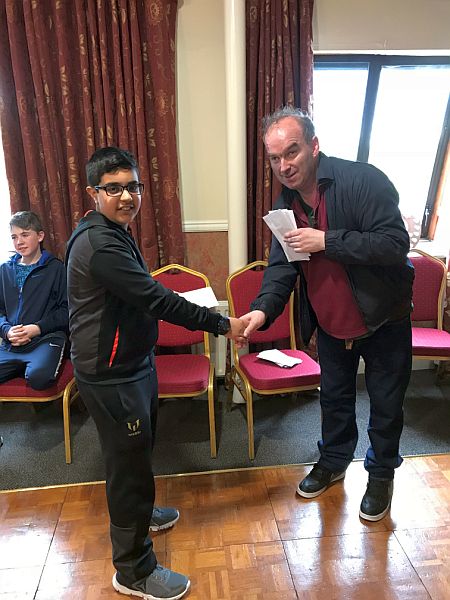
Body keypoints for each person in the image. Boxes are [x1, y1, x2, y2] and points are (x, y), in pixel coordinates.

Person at [65, 146, 244, 600]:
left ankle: (143, 517)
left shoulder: (113, 230)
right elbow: (155, 299)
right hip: (111, 375)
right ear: (93, 193)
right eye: (113, 189)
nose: (127, 197)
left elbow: (142, 295)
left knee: (139, 452)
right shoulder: (100, 244)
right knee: (127, 470)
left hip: (133, 364)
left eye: (133, 186)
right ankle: (134, 571)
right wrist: (222, 324)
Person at [239, 106, 414, 523]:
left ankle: (381, 475)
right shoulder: (284, 205)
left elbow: (394, 244)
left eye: (292, 152)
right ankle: (334, 461)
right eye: (275, 158)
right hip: (331, 326)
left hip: (384, 321)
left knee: (386, 406)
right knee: (334, 401)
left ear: (314, 146)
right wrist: (261, 312)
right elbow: (281, 268)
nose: (284, 166)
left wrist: (327, 241)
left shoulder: (363, 180)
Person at [0, 211, 68, 389]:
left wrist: (37, 328)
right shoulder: (4, 270)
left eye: (25, 235)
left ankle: (31, 367)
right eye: (14, 237)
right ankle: (19, 366)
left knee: (39, 379)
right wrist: (7, 331)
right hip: (12, 343)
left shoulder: (56, 269)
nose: (19, 242)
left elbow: (66, 311)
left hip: (45, 339)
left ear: (40, 236)